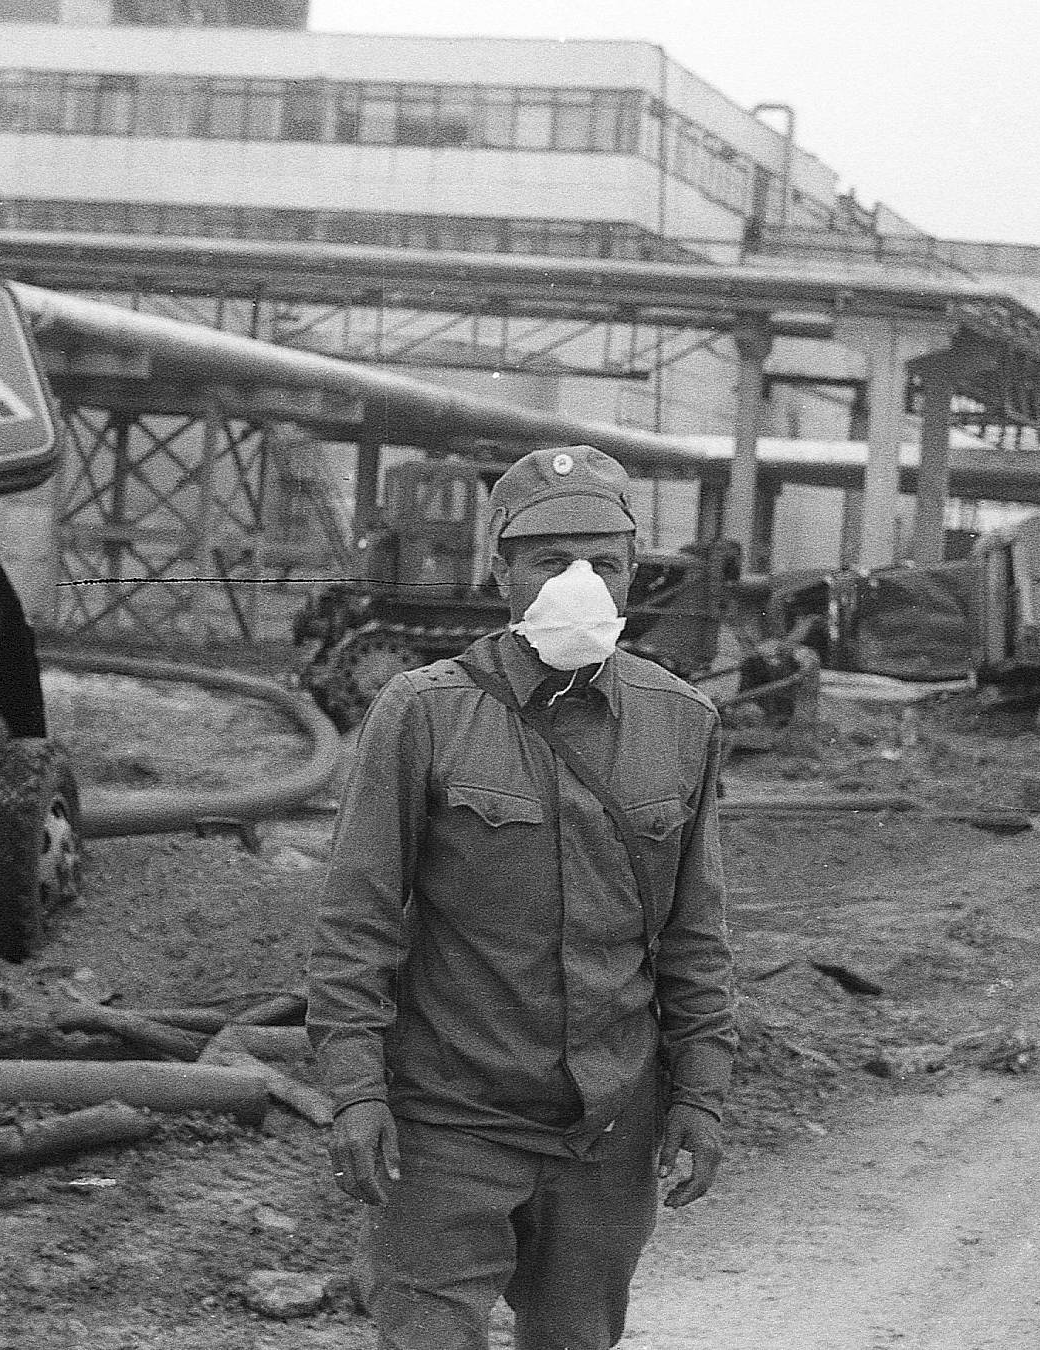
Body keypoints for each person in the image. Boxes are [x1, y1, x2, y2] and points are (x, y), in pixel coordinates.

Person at [309, 444, 736, 1350]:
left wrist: (701, 1091)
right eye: (550, 560)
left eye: (604, 564)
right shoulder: (422, 712)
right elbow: (359, 920)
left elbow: (694, 933)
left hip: (611, 1128)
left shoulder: (682, 724)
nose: (580, 584)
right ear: (499, 570)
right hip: (451, 1120)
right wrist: (354, 1091)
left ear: (633, 577)